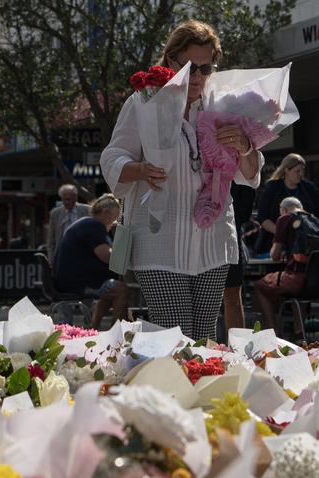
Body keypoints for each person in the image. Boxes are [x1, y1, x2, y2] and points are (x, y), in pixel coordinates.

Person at [100, 19, 262, 340]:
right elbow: (113, 157)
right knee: (176, 336)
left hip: (212, 242)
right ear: (170, 60)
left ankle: (198, 390)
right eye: (191, 67)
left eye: (206, 68)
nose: (198, 77)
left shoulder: (223, 104)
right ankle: (167, 389)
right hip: (159, 241)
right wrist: (141, 168)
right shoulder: (145, 102)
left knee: (203, 338)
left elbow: (252, 174)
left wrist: (245, 146)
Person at [52, 194, 130, 329]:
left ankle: (94, 328)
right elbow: (106, 256)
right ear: (105, 213)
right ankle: (118, 332)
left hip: (66, 279)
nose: (114, 223)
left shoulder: (86, 223)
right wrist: (122, 252)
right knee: (122, 290)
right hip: (76, 282)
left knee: (109, 292)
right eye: (115, 218)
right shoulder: (95, 226)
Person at [252, 197, 311, 334]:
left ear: (284, 210)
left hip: (296, 279)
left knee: (260, 286)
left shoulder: (285, 219)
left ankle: (272, 332)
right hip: (317, 280)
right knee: (298, 292)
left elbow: (274, 255)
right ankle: (299, 330)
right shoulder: (315, 220)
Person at [254, 153, 319, 254]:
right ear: (286, 170)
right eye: (297, 171)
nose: (301, 174)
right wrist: (282, 234)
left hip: (306, 244)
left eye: (303, 170)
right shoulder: (272, 188)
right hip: (274, 243)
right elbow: (263, 217)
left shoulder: (310, 188)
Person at [222, 183, 256, 333]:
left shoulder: (242, 163)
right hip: (196, 232)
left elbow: (244, 212)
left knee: (233, 293)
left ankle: (236, 350)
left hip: (230, 234)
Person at [47, 184, 91, 265]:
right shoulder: (55, 213)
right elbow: (51, 240)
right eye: (64, 200)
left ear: (75, 198)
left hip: (82, 254)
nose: (66, 202)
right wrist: (51, 261)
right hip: (62, 255)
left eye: (68, 199)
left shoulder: (87, 210)